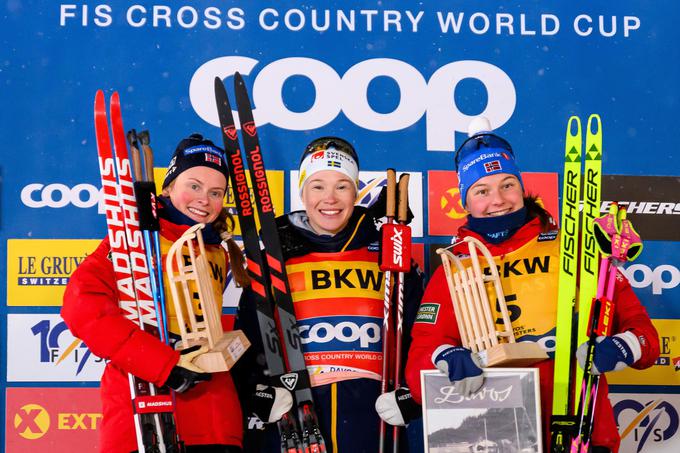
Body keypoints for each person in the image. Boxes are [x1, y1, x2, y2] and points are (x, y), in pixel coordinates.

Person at [394, 118, 659, 452]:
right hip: (495, 436)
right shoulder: (455, 266)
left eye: (507, 185)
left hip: (578, 430)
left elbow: (647, 338)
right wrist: (446, 357)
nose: (498, 199)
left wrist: (623, 347)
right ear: (465, 200)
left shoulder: (572, 249)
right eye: (481, 190)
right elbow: (420, 361)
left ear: (521, 186)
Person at [62, 134, 291, 453]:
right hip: (145, 414)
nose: (204, 200)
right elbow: (82, 307)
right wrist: (163, 364)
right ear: (169, 186)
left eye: (215, 192)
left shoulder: (216, 248)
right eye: (194, 186)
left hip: (215, 423)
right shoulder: (132, 242)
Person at [236, 137, 424, 452]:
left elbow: (423, 334)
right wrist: (256, 394)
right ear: (302, 192)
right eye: (318, 186)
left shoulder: (389, 253)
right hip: (297, 425)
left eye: (342, 186)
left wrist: (413, 395)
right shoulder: (274, 257)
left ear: (355, 192)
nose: (330, 199)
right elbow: (244, 343)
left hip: (373, 425)